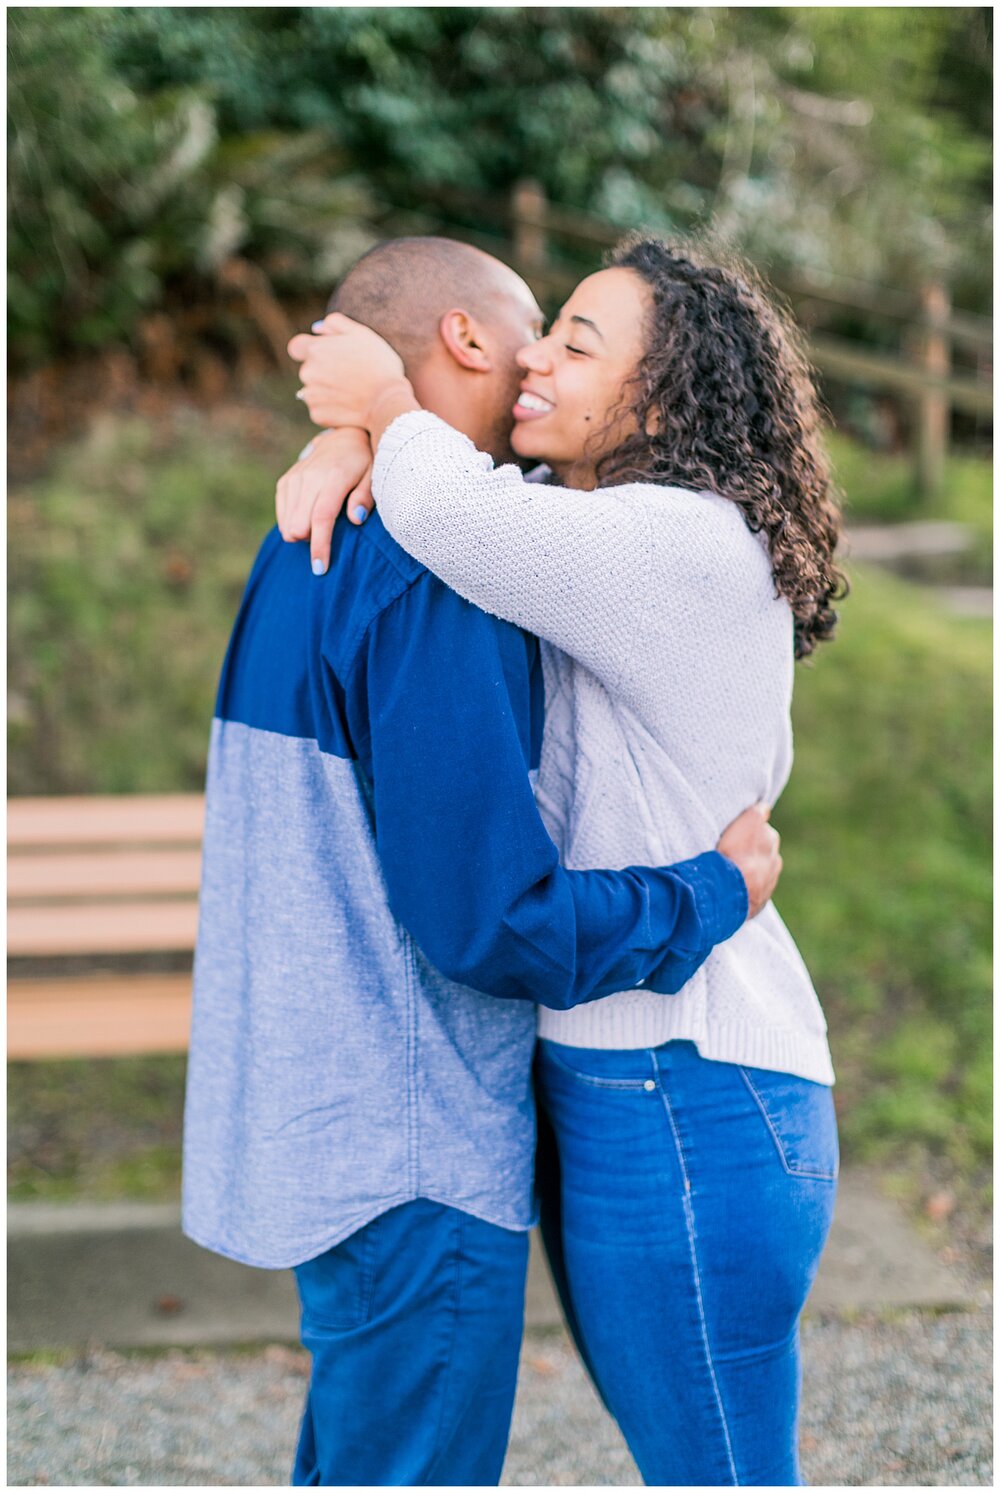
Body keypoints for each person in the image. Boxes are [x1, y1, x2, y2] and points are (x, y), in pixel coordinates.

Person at [182, 236, 782, 1489]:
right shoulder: (424, 561)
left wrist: (366, 435)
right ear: (465, 339)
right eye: (538, 333)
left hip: (317, 1111)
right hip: (411, 1131)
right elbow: (487, 920)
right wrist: (708, 891)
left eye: (578, 343)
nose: (538, 366)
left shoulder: (308, 531)